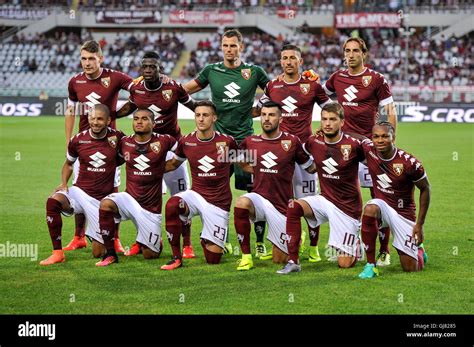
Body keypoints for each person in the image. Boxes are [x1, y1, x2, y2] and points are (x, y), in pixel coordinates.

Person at [183, 29, 270, 255]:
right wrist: (198, 109)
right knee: (214, 192)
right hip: (218, 143)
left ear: (241, 47)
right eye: (225, 45)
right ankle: (221, 238)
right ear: (221, 47)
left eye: (233, 45)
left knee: (253, 193)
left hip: (244, 142)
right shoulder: (212, 70)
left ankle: (258, 242)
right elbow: (183, 90)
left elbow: (276, 93)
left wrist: (258, 111)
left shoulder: (254, 72)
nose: (229, 49)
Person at [322, 37, 398, 265]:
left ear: (364, 54)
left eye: (356, 51)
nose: (351, 54)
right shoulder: (337, 77)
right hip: (343, 148)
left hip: (369, 148)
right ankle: (346, 242)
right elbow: (321, 96)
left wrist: (389, 146)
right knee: (342, 197)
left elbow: (390, 110)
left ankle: (384, 249)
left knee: (380, 198)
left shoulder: (376, 79)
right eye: (347, 51)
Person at [117, 51, 196, 258]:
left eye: (153, 67)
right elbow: (130, 106)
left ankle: (187, 244)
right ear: (141, 70)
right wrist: (110, 115)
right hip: (146, 151)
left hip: (172, 150)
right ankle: (142, 239)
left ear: (160, 69)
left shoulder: (174, 87)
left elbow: (194, 107)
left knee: (179, 198)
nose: (149, 70)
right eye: (145, 67)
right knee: (141, 199)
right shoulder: (136, 88)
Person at [257, 44, 331, 262]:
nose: (288, 62)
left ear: (300, 61)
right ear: (280, 62)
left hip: (305, 151)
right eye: (285, 58)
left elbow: (331, 110)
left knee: (307, 201)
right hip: (278, 153)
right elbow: (258, 110)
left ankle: (314, 247)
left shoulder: (312, 85)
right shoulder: (273, 86)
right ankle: (279, 241)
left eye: (292, 58)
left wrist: (323, 130)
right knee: (277, 199)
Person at [277, 102, 365, 274]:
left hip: (347, 209)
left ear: (342, 122)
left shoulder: (354, 145)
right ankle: (294, 262)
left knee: (345, 264)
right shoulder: (313, 141)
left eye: (332, 119)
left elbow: (373, 164)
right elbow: (301, 157)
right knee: (294, 207)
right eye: (324, 119)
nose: (327, 123)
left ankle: (355, 242)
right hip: (325, 199)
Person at [64, 40, 134, 253]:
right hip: (84, 145)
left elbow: (139, 92)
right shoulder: (75, 82)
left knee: (112, 191)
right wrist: (69, 139)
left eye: (91, 59)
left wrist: (118, 113)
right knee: (79, 191)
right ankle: (79, 237)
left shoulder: (115, 77)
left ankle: (115, 239)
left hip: (110, 144)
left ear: (100, 59)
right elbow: (70, 111)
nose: (87, 63)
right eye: (84, 58)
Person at [234, 101, 315, 271]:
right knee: (241, 203)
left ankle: (297, 235)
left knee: (279, 260)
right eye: (263, 115)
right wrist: (255, 170)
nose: (266, 119)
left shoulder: (292, 141)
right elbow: (239, 160)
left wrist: (324, 149)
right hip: (260, 200)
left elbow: (310, 166)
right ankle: (246, 257)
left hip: (282, 206)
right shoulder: (251, 141)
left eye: (271, 115)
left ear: (280, 118)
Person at [40, 104, 124, 265]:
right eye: (92, 118)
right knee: (53, 201)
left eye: (100, 119)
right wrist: (64, 184)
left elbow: (127, 156)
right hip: (80, 192)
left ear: (108, 120)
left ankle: (100, 236)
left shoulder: (118, 138)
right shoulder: (78, 139)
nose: (95, 122)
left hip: (101, 201)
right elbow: (68, 164)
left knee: (98, 253)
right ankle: (57, 253)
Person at [161, 101, 238, 270]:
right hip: (196, 195)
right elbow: (173, 164)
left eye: (205, 115)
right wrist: (150, 168)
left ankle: (206, 239)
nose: (201, 119)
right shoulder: (186, 142)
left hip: (219, 202)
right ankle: (176, 257)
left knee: (213, 259)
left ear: (214, 118)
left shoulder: (227, 142)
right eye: (198, 115)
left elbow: (245, 162)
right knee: (173, 204)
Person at [96, 109, 177, 266]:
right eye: (136, 118)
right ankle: (110, 254)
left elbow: (183, 152)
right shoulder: (125, 142)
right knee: (106, 203)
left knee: (150, 255)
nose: (139, 122)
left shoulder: (165, 140)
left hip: (150, 208)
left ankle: (153, 241)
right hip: (129, 199)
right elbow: (115, 161)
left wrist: (164, 168)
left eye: (144, 119)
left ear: (153, 123)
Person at [358, 121, 430, 278]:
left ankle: (418, 249)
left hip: (404, 214)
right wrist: (332, 132)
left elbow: (425, 189)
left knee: (410, 268)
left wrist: (419, 224)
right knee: (369, 208)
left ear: (393, 137)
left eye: (385, 136)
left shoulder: (410, 163)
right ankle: (371, 265)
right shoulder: (369, 149)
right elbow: (358, 137)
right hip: (382, 206)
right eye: (376, 137)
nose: (380, 140)